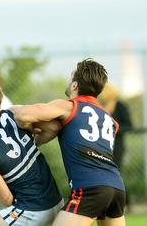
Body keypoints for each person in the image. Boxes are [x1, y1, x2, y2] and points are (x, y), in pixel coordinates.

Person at [10, 59, 126, 226]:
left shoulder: (69, 106)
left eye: (71, 78)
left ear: (74, 86)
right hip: (116, 187)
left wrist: (12, 110)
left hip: (90, 188)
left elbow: (23, 116)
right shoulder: (109, 118)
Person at [0, 79, 63, 226]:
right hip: (57, 202)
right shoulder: (13, 113)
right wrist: (30, 144)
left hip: (32, 211)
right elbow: (54, 127)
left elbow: (6, 198)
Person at [97, 82, 133, 210]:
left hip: (117, 146)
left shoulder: (120, 106)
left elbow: (129, 125)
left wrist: (114, 129)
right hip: (101, 146)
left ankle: (125, 203)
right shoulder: (99, 106)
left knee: (116, 174)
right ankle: (107, 204)